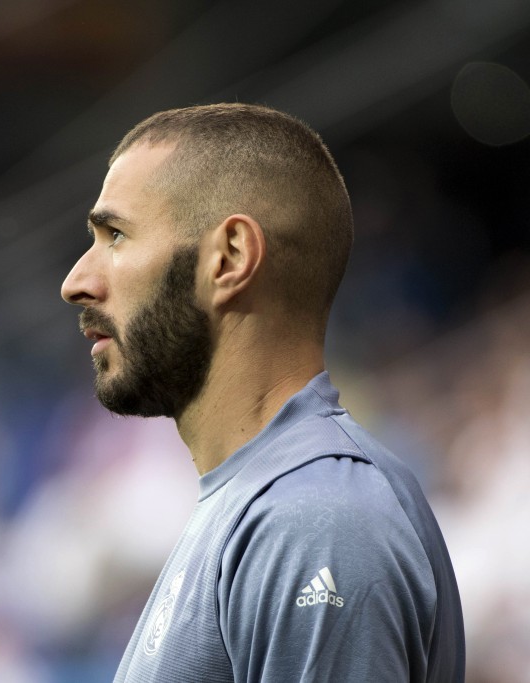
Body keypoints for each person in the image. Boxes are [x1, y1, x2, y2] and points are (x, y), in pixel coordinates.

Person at [60, 103, 464, 682]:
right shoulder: (259, 504)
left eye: (115, 235)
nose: (76, 282)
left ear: (230, 258)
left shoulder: (316, 522)